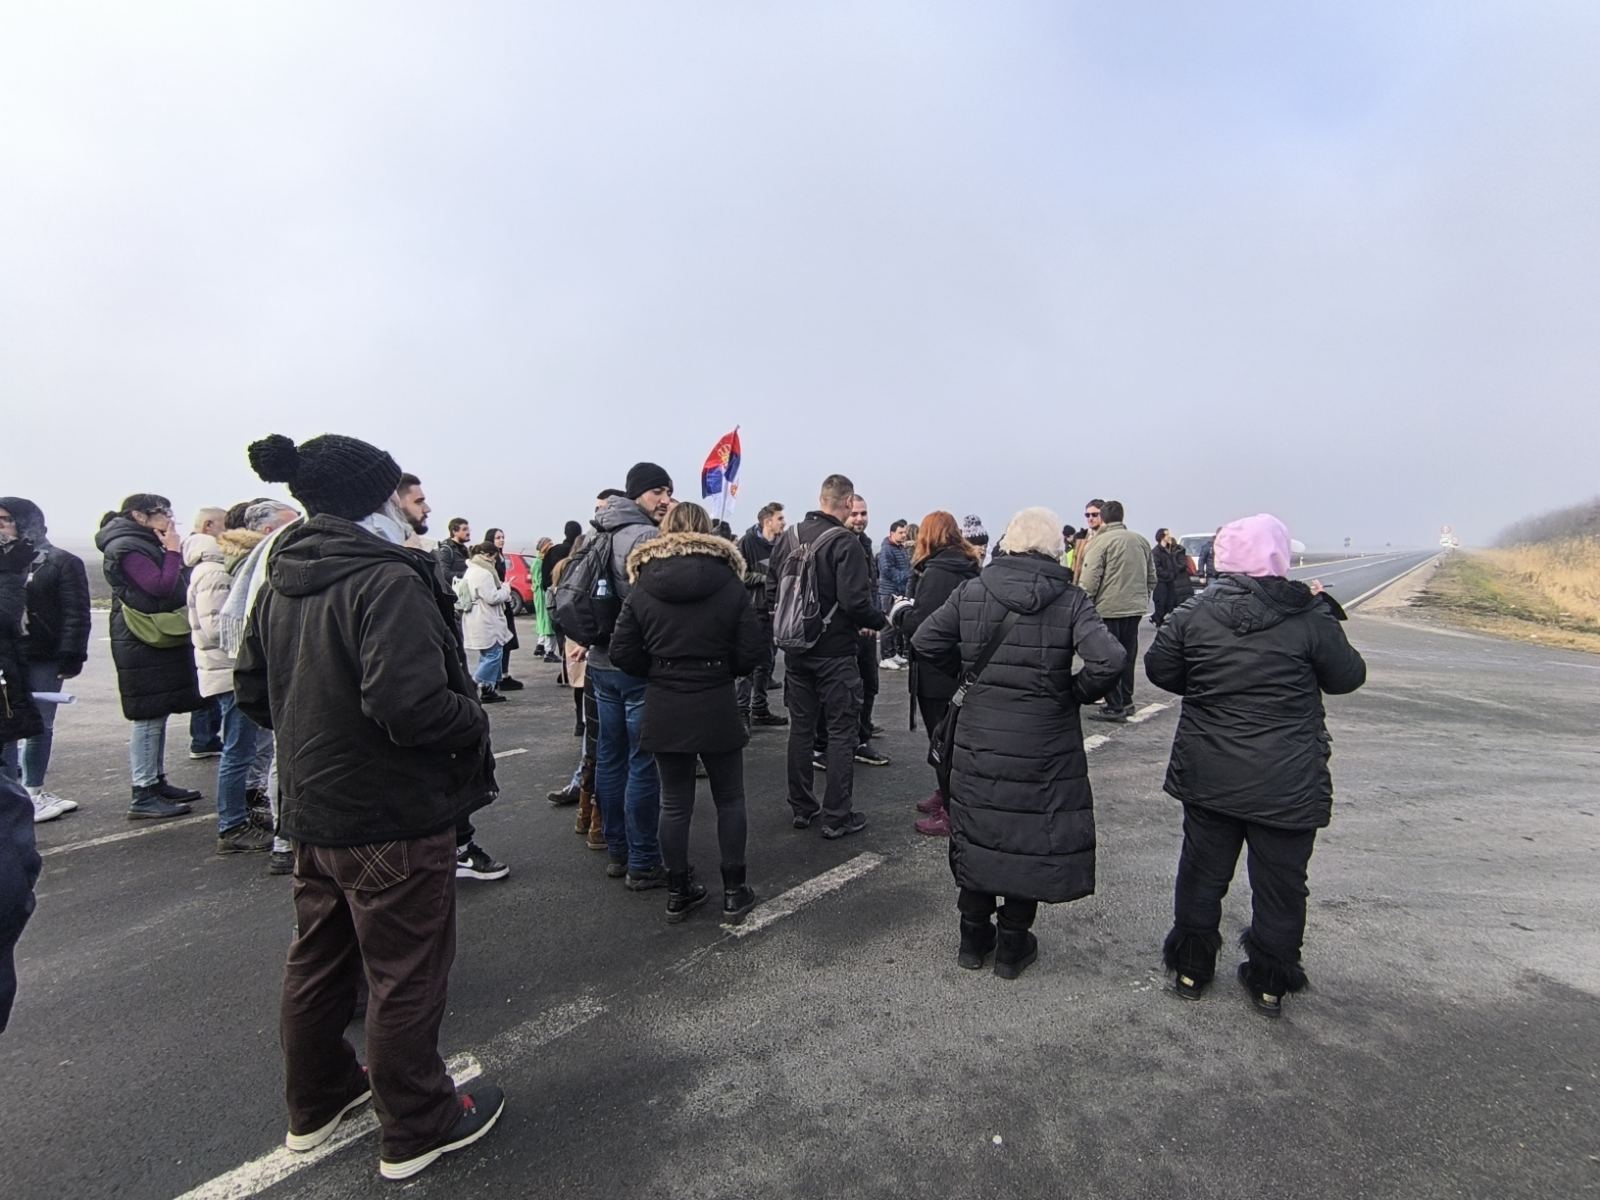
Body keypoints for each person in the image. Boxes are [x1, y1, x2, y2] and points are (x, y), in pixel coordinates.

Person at [235, 432, 505, 1180]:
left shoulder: (282, 572)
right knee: (405, 972)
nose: (407, 503)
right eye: (398, 491)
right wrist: (472, 715)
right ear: (376, 499)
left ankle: (318, 1100)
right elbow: (410, 704)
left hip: (315, 807)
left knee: (319, 959)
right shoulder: (384, 577)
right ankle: (419, 1123)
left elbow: (254, 692)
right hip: (390, 810)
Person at [1146, 514, 1366, 1018]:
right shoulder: (1308, 616)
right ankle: (1270, 982)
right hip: (1287, 776)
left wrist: (1206, 688)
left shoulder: (1194, 611)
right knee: (1282, 883)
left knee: (1202, 873)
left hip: (1210, 769)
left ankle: (1190, 969)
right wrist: (1324, 613)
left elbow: (1160, 668)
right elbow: (1348, 676)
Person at [912, 508, 1125, 980]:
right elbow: (1109, 660)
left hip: (978, 735)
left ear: (1008, 542)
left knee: (978, 829)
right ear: (1054, 549)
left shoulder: (973, 589)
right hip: (1043, 739)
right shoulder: (1070, 600)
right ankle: (1011, 947)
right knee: (1030, 834)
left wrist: (966, 681)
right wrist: (1072, 692)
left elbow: (924, 639)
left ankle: (972, 939)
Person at [609, 502, 764, 925]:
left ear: (665, 529)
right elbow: (753, 651)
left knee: (674, 803)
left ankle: (679, 891)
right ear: (708, 531)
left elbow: (622, 650)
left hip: (665, 700)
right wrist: (720, 668)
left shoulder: (643, 584)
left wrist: (660, 670)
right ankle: (734, 891)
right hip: (714, 698)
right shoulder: (730, 583)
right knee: (729, 798)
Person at [769, 473, 885, 840]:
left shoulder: (788, 538)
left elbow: (772, 585)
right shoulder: (844, 543)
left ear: (821, 498)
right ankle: (837, 814)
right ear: (848, 502)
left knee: (801, 729)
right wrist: (880, 620)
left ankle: (802, 807)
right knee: (841, 731)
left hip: (796, 648)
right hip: (834, 651)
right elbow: (855, 601)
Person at [586, 463, 672, 888]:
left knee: (609, 757)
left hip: (600, 663)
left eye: (668, 492)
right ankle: (642, 860)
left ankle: (617, 851)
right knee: (642, 763)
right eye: (658, 491)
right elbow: (658, 604)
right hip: (636, 665)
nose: (666, 500)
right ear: (638, 493)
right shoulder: (645, 537)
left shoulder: (596, 530)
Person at [94, 494, 205, 819]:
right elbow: (159, 586)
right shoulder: (126, 546)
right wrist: (172, 550)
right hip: (139, 638)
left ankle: (155, 781)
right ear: (139, 516)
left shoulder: (138, 541)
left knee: (157, 712)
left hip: (146, 637)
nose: (170, 517)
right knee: (147, 716)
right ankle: (142, 791)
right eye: (163, 512)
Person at [890, 511, 983, 837]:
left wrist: (900, 613)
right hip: (960, 666)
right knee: (952, 738)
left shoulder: (938, 572)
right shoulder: (966, 566)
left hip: (937, 670)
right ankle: (946, 796)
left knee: (942, 742)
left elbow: (923, 625)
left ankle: (951, 809)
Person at [0, 498, 89, 822]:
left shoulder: (60, 561)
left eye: (6, 519)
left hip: (42, 655)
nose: (1, 526)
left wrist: (71, 653)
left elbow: (75, 612)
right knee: (7, 726)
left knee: (41, 724)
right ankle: (10, 794)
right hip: (7, 657)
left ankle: (34, 789)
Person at [186, 530, 273, 853]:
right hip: (230, 673)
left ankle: (244, 813)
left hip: (234, 670)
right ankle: (232, 825)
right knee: (237, 751)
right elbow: (219, 628)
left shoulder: (225, 569)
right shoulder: (216, 573)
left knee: (247, 750)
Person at [1077, 500, 1155, 722]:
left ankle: (1115, 704)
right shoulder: (1140, 540)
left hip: (1108, 608)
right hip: (1135, 607)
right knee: (1129, 655)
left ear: (1102, 517)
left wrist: (1084, 603)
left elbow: (1090, 580)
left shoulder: (1101, 543)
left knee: (1108, 657)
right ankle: (1127, 700)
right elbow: (1152, 576)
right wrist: (1143, 597)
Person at [842, 495, 890, 766]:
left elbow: (871, 585)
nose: (860, 518)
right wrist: (862, 619)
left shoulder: (866, 543)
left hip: (868, 628)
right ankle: (851, 739)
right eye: (855, 514)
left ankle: (863, 733)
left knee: (870, 683)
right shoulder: (840, 543)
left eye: (864, 513)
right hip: (847, 631)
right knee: (849, 691)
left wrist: (873, 617)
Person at [735, 502, 788, 729]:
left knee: (767, 662)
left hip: (773, 611)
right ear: (768, 521)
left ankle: (760, 708)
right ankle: (741, 712)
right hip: (752, 610)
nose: (784, 523)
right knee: (748, 663)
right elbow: (739, 574)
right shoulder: (747, 543)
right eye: (780, 519)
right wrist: (766, 579)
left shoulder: (782, 544)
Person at [461, 540, 514, 704]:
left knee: (488, 654)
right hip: (486, 618)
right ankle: (475, 683)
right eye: (495, 558)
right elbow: (492, 597)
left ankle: (488, 689)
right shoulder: (483, 573)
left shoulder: (471, 570)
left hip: (477, 617)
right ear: (489, 556)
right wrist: (506, 589)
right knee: (493, 654)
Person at [482, 528, 525, 689]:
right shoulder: (490, 560)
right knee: (499, 640)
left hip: (504, 599)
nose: (502, 540)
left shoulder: (500, 557)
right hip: (497, 601)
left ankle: (503, 674)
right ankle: (496, 678)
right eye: (498, 537)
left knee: (508, 638)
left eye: (503, 537)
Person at [876, 519, 912, 668]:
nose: (904, 535)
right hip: (888, 591)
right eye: (901, 532)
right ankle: (885, 657)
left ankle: (892, 654)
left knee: (896, 624)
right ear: (892, 533)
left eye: (905, 532)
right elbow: (886, 570)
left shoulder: (900, 548)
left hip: (899, 591)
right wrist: (906, 575)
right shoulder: (887, 549)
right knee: (887, 625)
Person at [1071, 500, 1104, 585]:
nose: (1090, 518)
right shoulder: (1081, 537)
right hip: (1079, 588)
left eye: (1094, 514)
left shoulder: (1107, 538)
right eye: (1087, 515)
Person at [434, 518, 472, 584]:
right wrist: (467, 574)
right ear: (454, 532)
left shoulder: (465, 549)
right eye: (464, 529)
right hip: (453, 590)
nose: (468, 532)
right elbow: (444, 574)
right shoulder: (446, 549)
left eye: (468, 529)